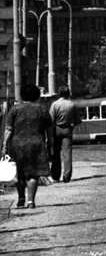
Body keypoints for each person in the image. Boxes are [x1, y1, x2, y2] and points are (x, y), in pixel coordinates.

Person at [3, 82, 55, 213]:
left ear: (22, 96)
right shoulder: (42, 109)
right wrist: (50, 144)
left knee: (20, 173)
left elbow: (9, 130)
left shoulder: (14, 109)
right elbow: (49, 128)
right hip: (37, 144)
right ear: (36, 95)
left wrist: (4, 146)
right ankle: (31, 201)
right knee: (33, 174)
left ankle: (21, 198)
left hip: (17, 144)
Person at [49, 89, 78, 183]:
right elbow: (77, 120)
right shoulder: (72, 104)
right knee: (67, 153)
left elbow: (51, 120)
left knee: (56, 153)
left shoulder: (55, 104)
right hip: (68, 129)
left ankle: (56, 175)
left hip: (57, 129)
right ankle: (67, 176)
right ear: (68, 94)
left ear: (59, 93)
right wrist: (72, 126)